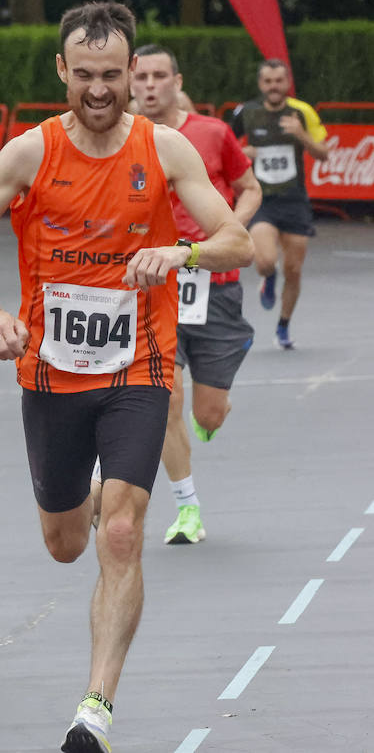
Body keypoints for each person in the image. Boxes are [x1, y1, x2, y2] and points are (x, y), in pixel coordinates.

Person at [0, 2, 253, 753]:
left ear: (133, 73)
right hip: (50, 373)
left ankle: (95, 709)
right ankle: (77, 494)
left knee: (119, 531)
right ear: (62, 72)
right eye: (86, 76)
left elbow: (235, 241)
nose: (102, 89)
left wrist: (179, 255)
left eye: (114, 75)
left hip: (139, 367)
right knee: (65, 542)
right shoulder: (28, 152)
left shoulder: (166, 147)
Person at [131, 44, 261, 545]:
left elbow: (250, 188)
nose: (148, 85)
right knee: (167, 397)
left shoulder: (212, 132)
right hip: (153, 286)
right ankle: (188, 508)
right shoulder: (121, 136)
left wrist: (229, 234)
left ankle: (212, 411)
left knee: (206, 412)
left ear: (176, 80)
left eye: (158, 76)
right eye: (139, 76)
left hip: (214, 286)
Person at [229, 59, 329, 349]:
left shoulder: (302, 112)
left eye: (279, 81)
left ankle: (283, 326)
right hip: (262, 199)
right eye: (268, 82)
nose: (274, 87)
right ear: (261, 85)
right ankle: (268, 277)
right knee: (265, 260)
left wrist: (301, 135)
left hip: (295, 200)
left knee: (294, 270)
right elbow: (224, 144)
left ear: (287, 83)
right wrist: (242, 152)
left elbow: (323, 154)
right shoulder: (247, 112)